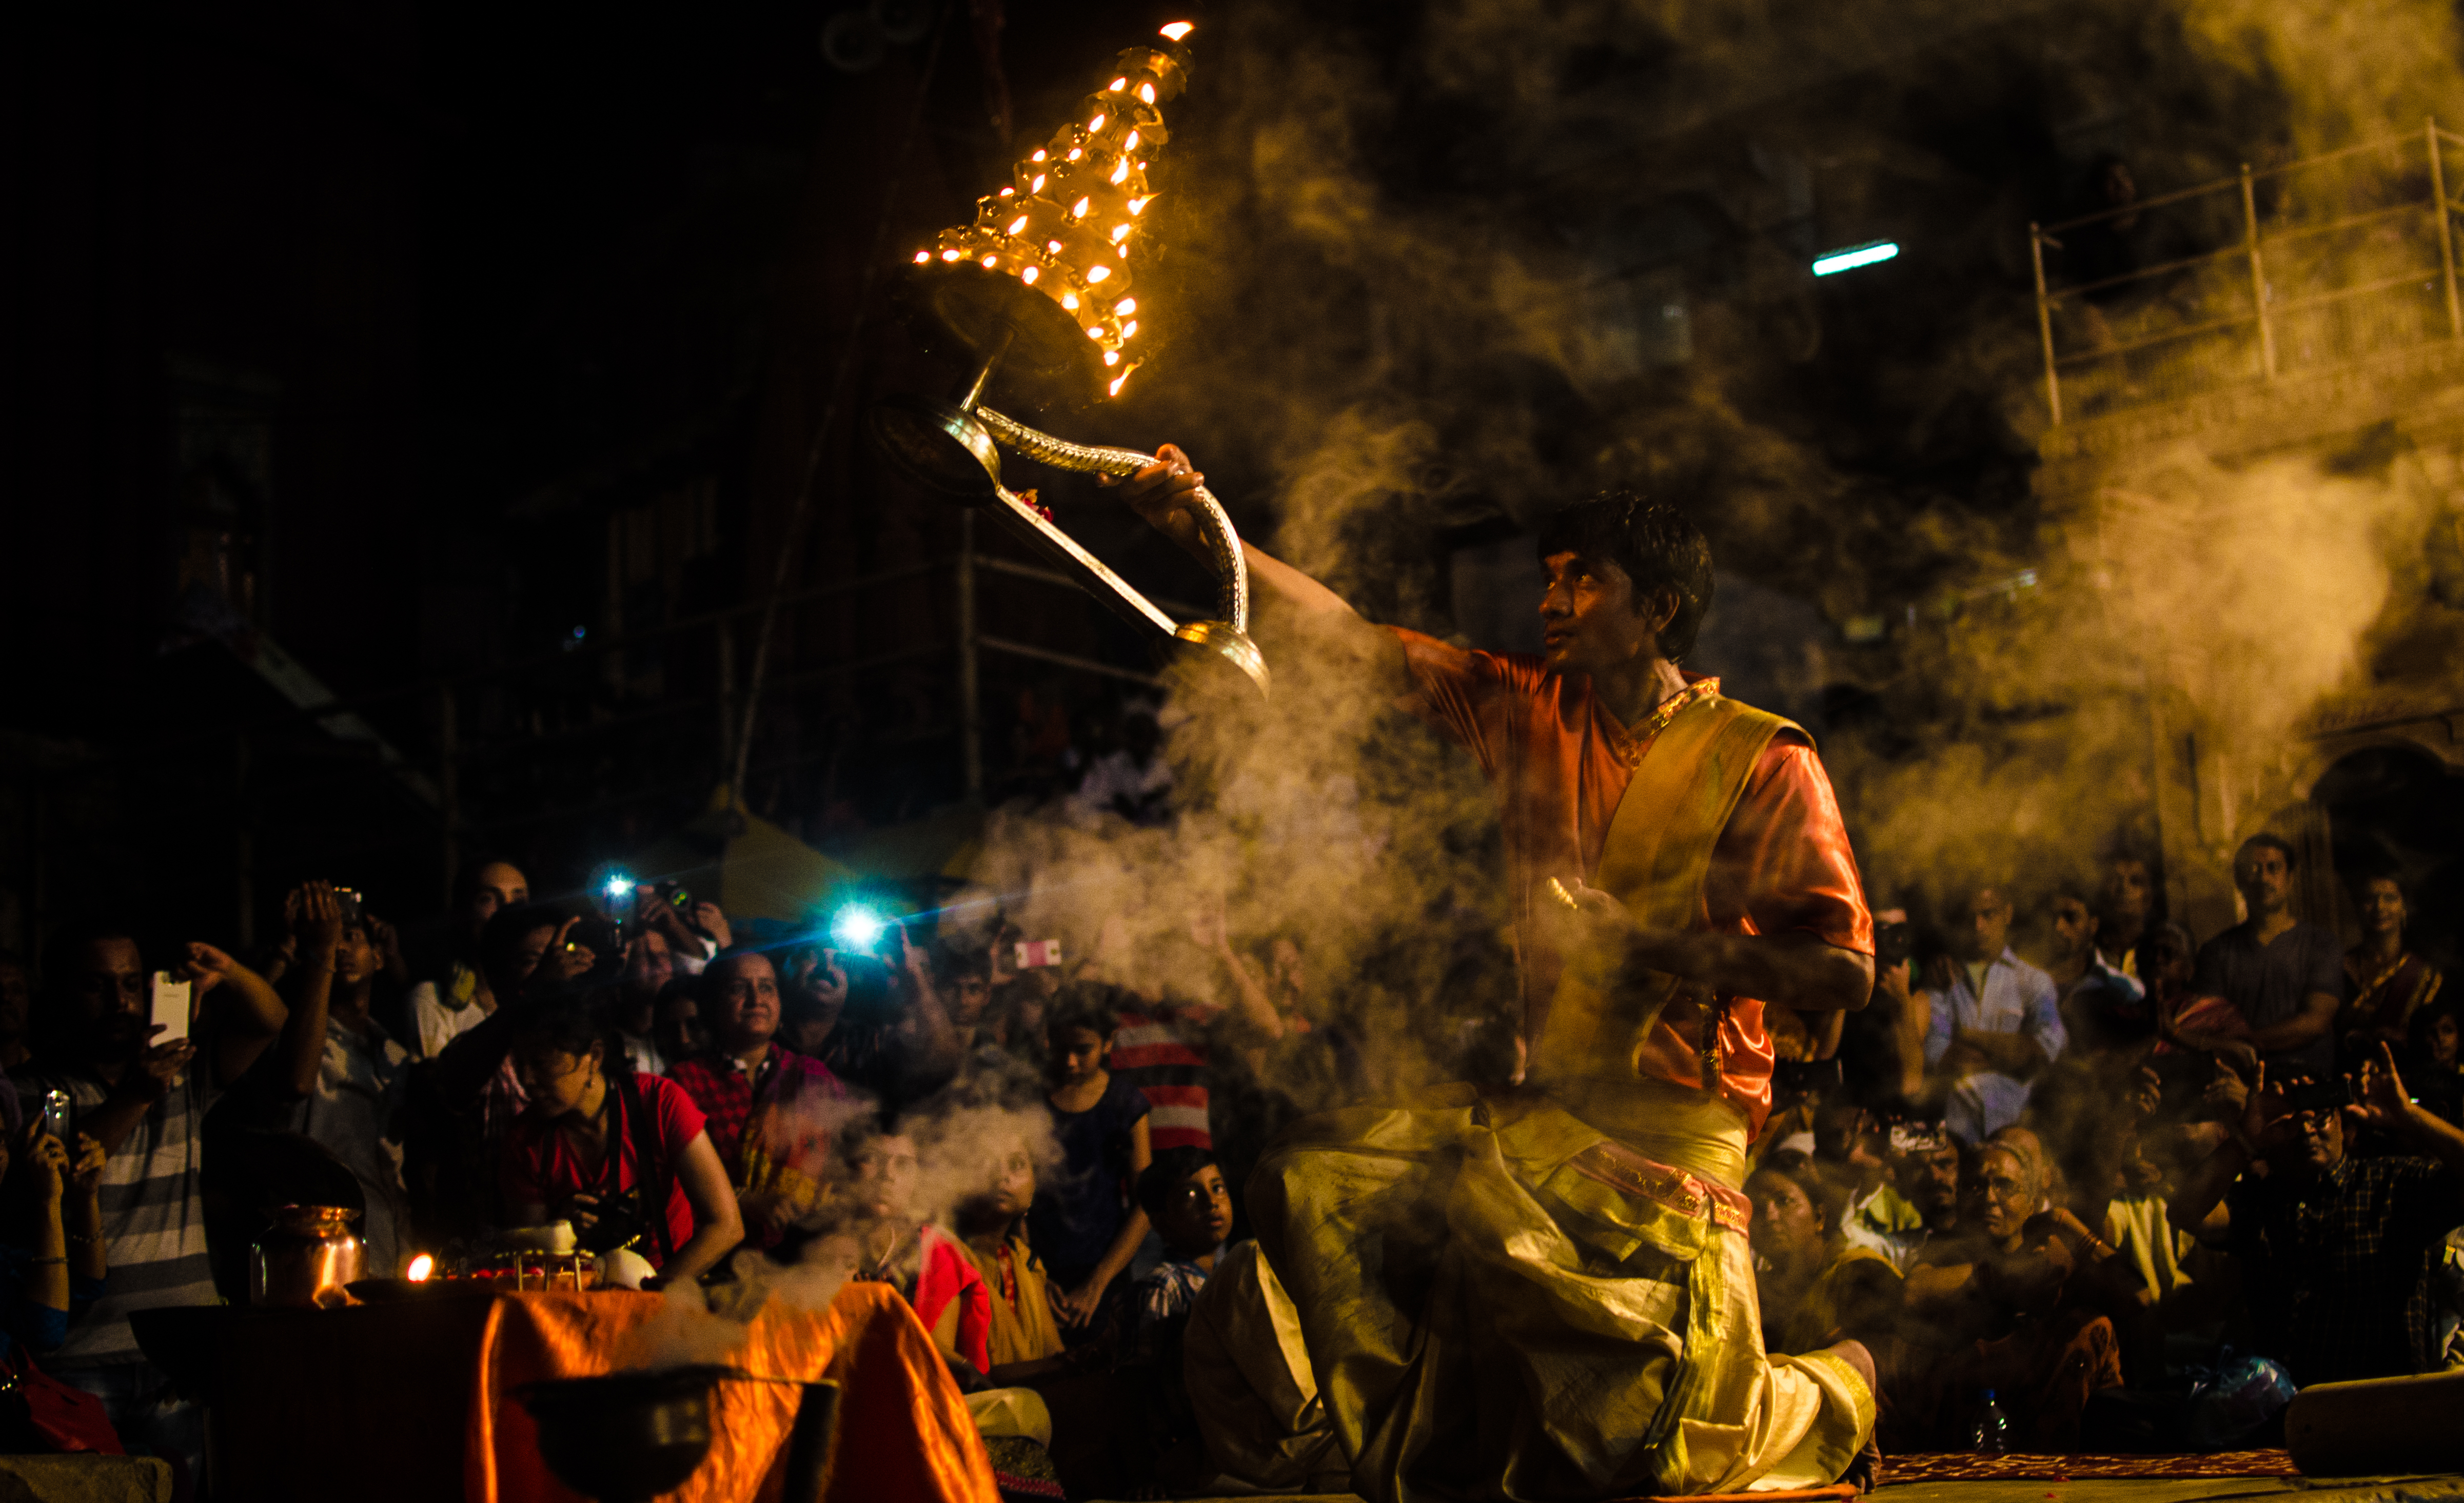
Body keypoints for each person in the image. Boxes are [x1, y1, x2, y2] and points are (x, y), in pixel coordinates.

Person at [1121, 468, 1878, 1499]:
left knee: (1651, 1452)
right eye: (1548, 578)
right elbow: (1355, 642)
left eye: (1582, 582)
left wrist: (1658, 948)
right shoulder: (1530, 707)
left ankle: (1839, 1383)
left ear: (1654, 608)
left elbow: (1844, 970)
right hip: (1544, 1120)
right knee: (1314, 1181)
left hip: (1677, 1136)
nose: (1550, 602)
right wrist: (1208, 534)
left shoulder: (1761, 757)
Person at [12, 918, 289, 1480]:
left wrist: (230, 971)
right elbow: (68, 1174)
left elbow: (270, 1019)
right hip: (77, 1360)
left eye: (133, 983)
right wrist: (138, 1091)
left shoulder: (183, 1072)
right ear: (61, 992)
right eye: (98, 985)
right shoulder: (28, 1090)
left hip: (175, 1354)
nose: (121, 1000)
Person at [2168, 1047, 2464, 1383]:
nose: (2306, 1130)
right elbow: (2184, 1213)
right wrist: (2245, 1139)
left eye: (2319, 1114)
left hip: (2379, 1406)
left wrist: (2408, 1116)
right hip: (2282, 1409)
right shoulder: (2260, 1200)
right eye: (2290, 1119)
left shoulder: (2394, 1184)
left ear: (2342, 1120)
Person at [1892, 1141, 2124, 1452]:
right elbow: (1911, 1293)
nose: (1989, 1199)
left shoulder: (2054, 1250)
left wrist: (2072, 1228)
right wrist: (2004, 1279)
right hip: (1963, 1427)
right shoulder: (1945, 1251)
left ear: (2031, 1202)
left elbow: (2139, 1298)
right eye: (1976, 1186)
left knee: (2091, 1328)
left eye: (2004, 1186)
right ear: (1960, 1201)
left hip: (2043, 1423)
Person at [501, 997, 743, 1286]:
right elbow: (529, 1263)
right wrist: (557, 1231)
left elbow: (726, 1226)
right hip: (577, 1302)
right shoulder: (525, 1141)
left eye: (541, 1063)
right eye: (520, 1064)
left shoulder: (658, 1102)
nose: (526, 1080)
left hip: (669, 1297)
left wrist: (650, 1294)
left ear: (594, 1055)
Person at [265, 882, 416, 1276]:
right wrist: (306, 949)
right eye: (333, 939)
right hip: (318, 1258)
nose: (342, 947)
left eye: (351, 936)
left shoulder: (394, 1053)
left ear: (379, 957)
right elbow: (294, 1082)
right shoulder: (294, 1038)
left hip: (390, 1249)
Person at [665, 951, 846, 1250]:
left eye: (766, 988)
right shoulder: (684, 1084)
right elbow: (667, 1187)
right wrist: (742, 1200)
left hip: (806, 1260)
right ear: (712, 1006)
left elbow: (849, 1164)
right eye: (738, 988)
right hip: (710, 1257)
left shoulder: (813, 1078)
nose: (756, 1000)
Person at [1028, 988, 1152, 1346]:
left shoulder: (1124, 1104)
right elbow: (1019, 1196)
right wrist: (1034, 1274)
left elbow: (1144, 1203)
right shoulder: (1032, 1101)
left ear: (1109, 1043)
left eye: (1082, 1050)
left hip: (1105, 1269)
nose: (1069, 1062)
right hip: (1041, 1271)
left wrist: (1098, 1282)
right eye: (1060, 1048)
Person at [2186, 835, 2342, 1081]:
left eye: (2273, 868)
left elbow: (2315, 1022)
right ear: (2239, 880)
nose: (2263, 878)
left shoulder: (2320, 944)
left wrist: (2242, 1043)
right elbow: (2209, 1024)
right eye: (2253, 869)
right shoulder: (2216, 952)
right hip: (2241, 1088)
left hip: (2309, 1084)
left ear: (2290, 879)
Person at [1923, 885, 2065, 1143]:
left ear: (2008, 914)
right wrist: (2011, 1056)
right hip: (1952, 1136)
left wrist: (1965, 1034)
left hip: (2015, 1132)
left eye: (1988, 915)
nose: (1978, 926)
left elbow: (2043, 1052)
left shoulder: (2035, 981)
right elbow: (1936, 1055)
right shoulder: (1943, 979)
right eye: (1971, 918)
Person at [1746, 1150, 1901, 1357]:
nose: (1770, 1216)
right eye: (1756, 1208)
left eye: (1784, 1201)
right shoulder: (1753, 1294)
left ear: (1819, 1217)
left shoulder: (1859, 1274)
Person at [407, 860, 529, 1059]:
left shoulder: (541, 999)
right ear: (461, 915)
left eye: (519, 901)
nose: (507, 909)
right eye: (488, 899)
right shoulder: (432, 1001)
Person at [2340, 874, 2442, 1069]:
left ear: (2404, 907)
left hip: (2409, 1074)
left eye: (2390, 898)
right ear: (2359, 907)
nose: (2379, 907)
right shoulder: (2338, 966)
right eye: (2370, 899)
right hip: (2347, 1073)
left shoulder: (2424, 974)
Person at [2046, 886, 2147, 1058]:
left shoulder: (2124, 990)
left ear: (2093, 926)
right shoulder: (2028, 986)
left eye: (2070, 917)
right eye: (2053, 918)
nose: (2059, 927)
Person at [612, 928, 677, 1076]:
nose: (658, 961)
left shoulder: (679, 1039)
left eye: (664, 955)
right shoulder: (609, 1045)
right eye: (644, 956)